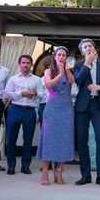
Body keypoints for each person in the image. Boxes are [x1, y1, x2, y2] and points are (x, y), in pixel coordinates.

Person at [74, 39, 100, 187]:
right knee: (82, 140)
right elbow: (78, 81)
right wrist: (87, 64)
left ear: (94, 48)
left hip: (98, 106)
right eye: (84, 47)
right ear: (82, 51)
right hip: (82, 107)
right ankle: (85, 176)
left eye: (89, 46)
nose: (87, 48)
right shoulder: (79, 65)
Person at [36, 46, 75, 185]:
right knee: (49, 139)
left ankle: (59, 171)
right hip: (52, 107)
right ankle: (45, 172)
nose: (61, 57)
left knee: (64, 139)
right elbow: (48, 85)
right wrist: (59, 74)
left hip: (67, 108)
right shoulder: (49, 71)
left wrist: (67, 70)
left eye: (64, 55)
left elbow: (71, 81)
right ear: (55, 56)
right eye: (59, 54)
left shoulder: (69, 70)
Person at [3, 55, 45, 175]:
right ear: (19, 64)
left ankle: (25, 166)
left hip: (30, 111)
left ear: (31, 65)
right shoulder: (13, 79)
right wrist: (22, 93)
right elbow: (6, 94)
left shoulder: (37, 79)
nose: (26, 65)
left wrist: (35, 94)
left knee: (28, 139)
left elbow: (42, 94)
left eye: (28, 63)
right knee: (11, 138)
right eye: (23, 63)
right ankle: (11, 166)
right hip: (15, 109)